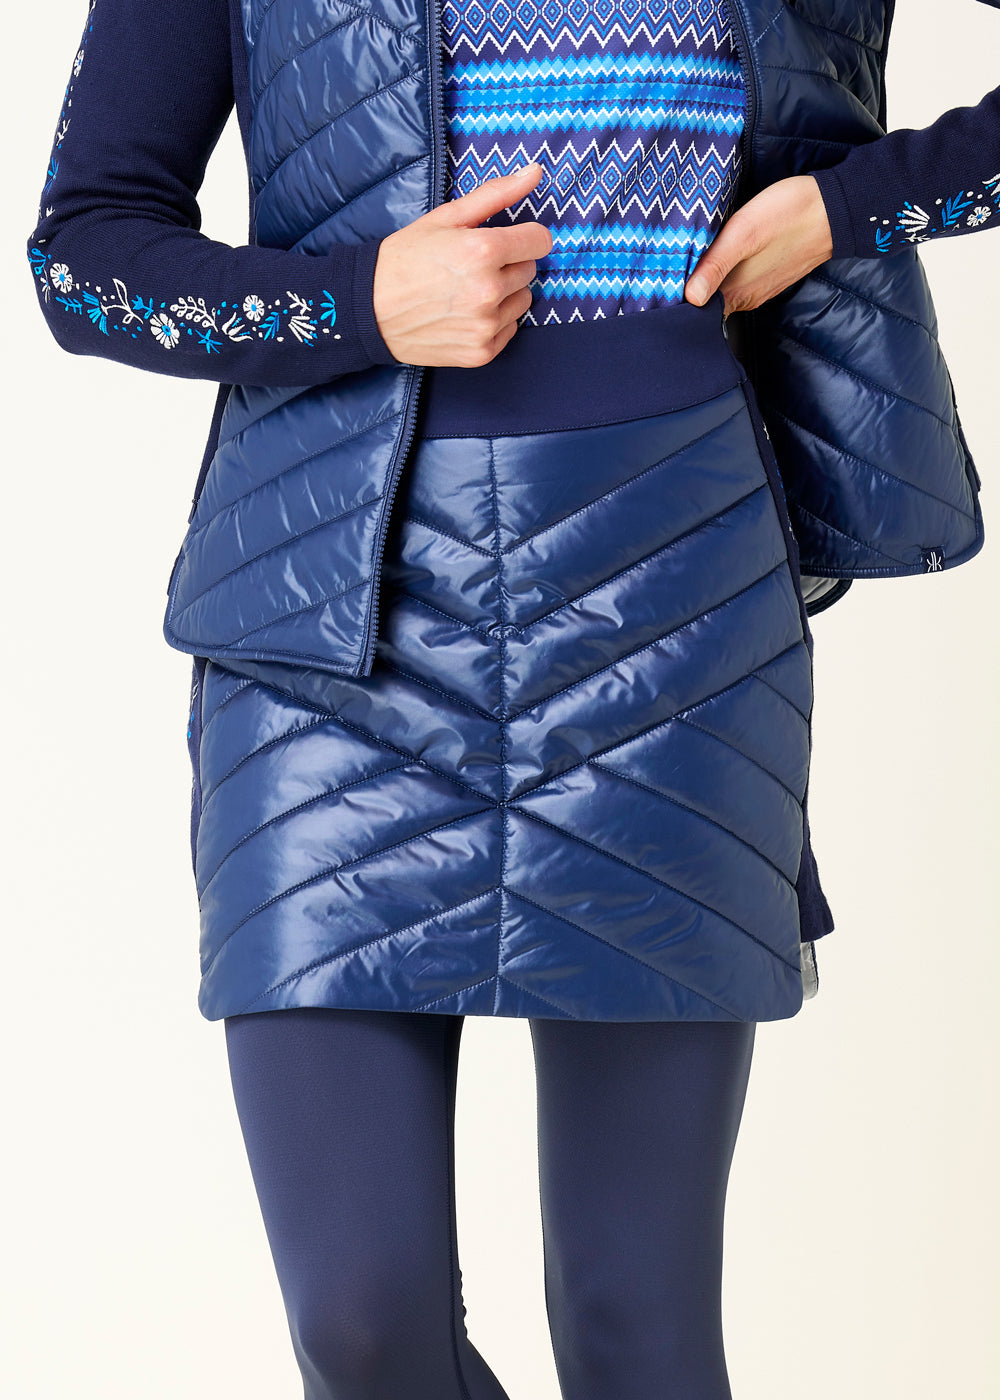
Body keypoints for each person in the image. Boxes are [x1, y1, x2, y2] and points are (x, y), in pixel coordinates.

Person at [26, 1, 999, 1396]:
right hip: (334, 622)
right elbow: (84, 257)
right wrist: (358, 303)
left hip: (673, 596)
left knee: (636, 1323)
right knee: (361, 1323)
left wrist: (851, 209)